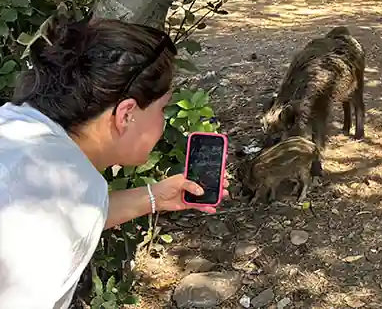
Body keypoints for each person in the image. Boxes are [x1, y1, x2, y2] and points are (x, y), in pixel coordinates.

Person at [0, 17, 230, 308]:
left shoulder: (16, 124)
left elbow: (76, 209)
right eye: (163, 108)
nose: (164, 120)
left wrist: (154, 197)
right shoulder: (69, 192)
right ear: (126, 115)